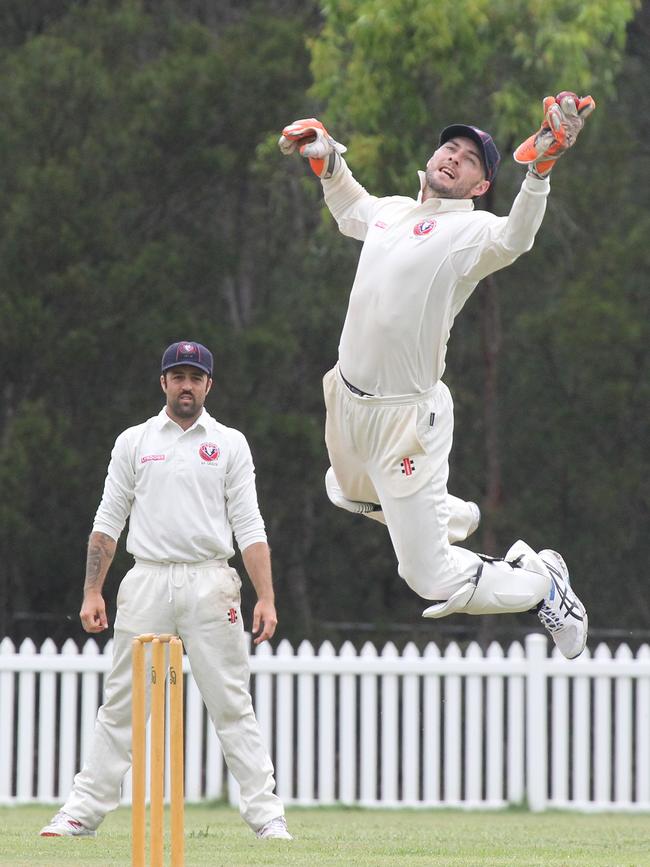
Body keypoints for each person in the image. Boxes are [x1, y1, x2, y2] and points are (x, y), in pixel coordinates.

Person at [279, 93, 595, 660]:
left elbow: (516, 238)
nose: (454, 157)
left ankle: (545, 581)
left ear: (478, 187)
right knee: (344, 491)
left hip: (406, 420)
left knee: (430, 577)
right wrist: (327, 159)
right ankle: (449, 513)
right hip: (347, 405)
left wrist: (541, 168)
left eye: (470, 160)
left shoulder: (468, 232)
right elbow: (353, 209)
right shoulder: (394, 211)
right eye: (450, 147)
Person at [40, 340, 292, 840]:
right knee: (123, 703)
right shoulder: (134, 441)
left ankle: (267, 816)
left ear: (208, 386)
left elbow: (250, 525)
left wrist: (265, 596)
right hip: (147, 578)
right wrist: (93, 591)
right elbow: (108, 520)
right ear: (163, 382)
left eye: (195, 378)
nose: (186, 386)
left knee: (231, 704)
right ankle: (81, 813)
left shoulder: (229, 443)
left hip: (211, 580)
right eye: (177, 376)